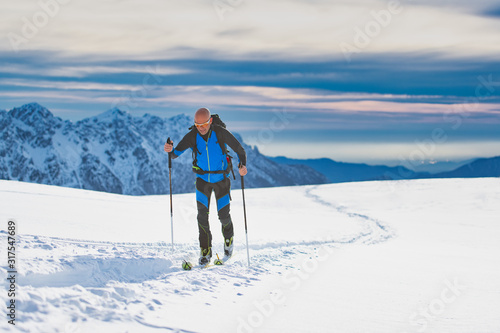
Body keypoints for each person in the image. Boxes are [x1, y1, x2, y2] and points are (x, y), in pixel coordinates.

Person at [164, 108, 247, 265]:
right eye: (197, 125)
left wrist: (242, 165)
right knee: (202, 216)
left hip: (222, 180)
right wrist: (169, 150)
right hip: (202, 180)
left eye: (204, 124)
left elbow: (239, 149)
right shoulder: (192, 136)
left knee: (223, 215)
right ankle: (205, 251)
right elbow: (175, 154)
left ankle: (228, 240)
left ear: (210, 121)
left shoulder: (220, 132)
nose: (201, 128)